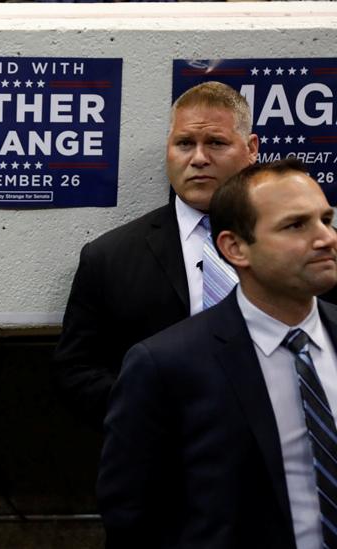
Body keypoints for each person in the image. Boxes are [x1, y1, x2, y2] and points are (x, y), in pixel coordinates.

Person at [98, 159, 337, 548]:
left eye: (326, 219)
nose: (326, 237)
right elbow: (132, 519)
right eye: (296, 225)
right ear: (235, 248)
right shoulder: (166, 365)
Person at [53, 81, 259, 428]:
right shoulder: (109, 258)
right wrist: (148, 413)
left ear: (251, 148)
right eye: (184, 144)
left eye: (216, 143)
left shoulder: (298, 245)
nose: (198, 158)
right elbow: (76, 371)